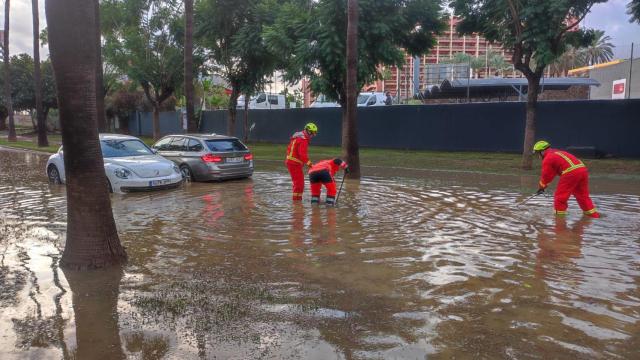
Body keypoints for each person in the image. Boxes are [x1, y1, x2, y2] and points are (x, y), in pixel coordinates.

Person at [533, 140, 600, 218]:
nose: (538, 156)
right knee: (582, 196)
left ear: (542, 152)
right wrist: (543, 186)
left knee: (560, 197)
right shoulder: (557, 152)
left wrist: (541, 187)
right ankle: (593, 216)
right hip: (583, 170)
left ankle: (559, 221)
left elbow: (546, 176)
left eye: (538, 153)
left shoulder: (548, 158)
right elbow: (554, 171)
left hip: (571, 173)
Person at [285, 123, 318, 200]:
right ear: (309, 132)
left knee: (297, 183)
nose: (313, 136)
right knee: (299, 184)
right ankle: (297, 203)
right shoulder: (303, 140)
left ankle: (296, 200)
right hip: (294, 164)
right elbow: (302, 155)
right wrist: (311, 165)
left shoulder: (297, 137)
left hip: (292, 162)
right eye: (312, 134)